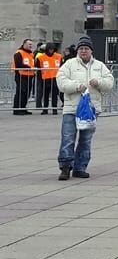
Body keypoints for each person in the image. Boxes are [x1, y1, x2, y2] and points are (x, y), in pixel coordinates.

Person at [55, 35, 113, 180]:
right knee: (68, 138)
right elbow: (61, 82)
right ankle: (65, 167)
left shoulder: (99, 66)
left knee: (85, 140)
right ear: (77, 51)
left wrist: (98, 82)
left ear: (91, 51)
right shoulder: (69, 64)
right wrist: (76, 86)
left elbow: (109, 82)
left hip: (91, 110)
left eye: (86, 48)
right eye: (81, 48)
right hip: (71, 108)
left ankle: (80, 167)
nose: (83, 51)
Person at [11, 39, 36, 116]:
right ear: (24, 44)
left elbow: (32, 64)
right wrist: (29, 68)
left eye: (31, 44)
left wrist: (33, 70)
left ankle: (23, 108)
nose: (31, 46)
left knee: (27, 93)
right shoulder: (19, 53)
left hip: (29, 76)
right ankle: (17, 109)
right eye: (29, 44)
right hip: (21, 75)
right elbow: (18, 65)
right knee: (21, 92)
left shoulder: (31, 54)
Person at [38, 43, 63, 115]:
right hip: (45, 79)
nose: (51, 51)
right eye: (50, 49)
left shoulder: (59, 56)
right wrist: (40, 79)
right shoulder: (41, 57)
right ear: (47, 49)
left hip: (55, 78)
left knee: (54, 95)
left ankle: (54, 109)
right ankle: (45, 109)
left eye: (52, 49)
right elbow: (38, 69)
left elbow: (62, 67)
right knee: (45, 95)